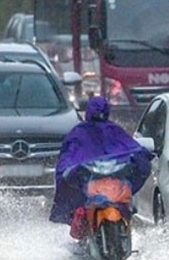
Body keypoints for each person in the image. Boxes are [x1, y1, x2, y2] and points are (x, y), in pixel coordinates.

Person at [50, 96, 153, 239]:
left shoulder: (105, 131)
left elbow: (132, 149)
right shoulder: (85, 132)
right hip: (90, 188)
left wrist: (141, 156)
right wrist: (69, 171)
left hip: (112, 189)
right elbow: (68, 158)